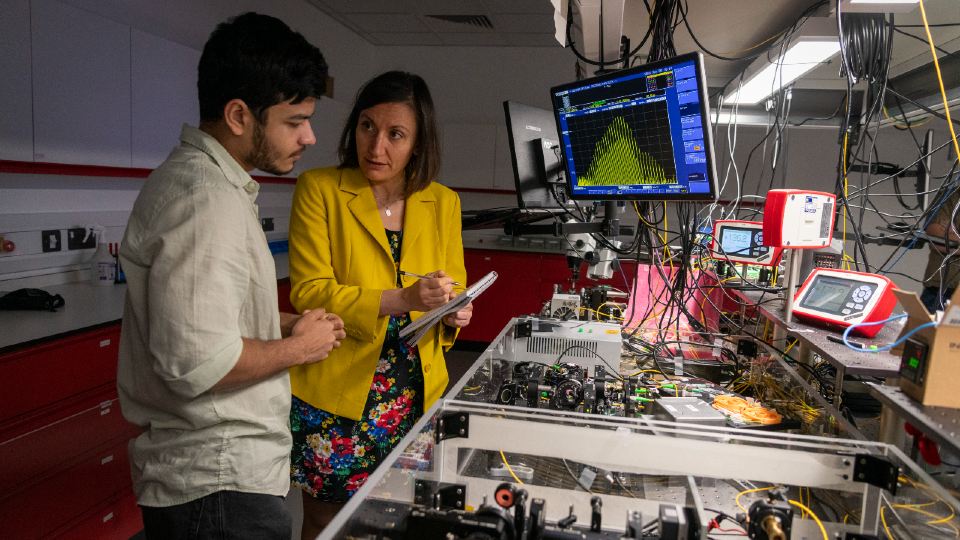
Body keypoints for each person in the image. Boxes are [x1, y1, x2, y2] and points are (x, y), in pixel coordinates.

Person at [117, 12, 345, 539]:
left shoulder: (212, 186)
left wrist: (285, 324)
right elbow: (199, 363)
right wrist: (300, 349)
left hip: (218, 482)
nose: (310, 136)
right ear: (239, 115)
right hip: (215, 485)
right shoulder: (206, 200)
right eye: (294, 121)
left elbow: (209, 321)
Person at [287, 70, 473, 537]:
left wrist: (455, 310)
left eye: (396, 134)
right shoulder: (320, 189)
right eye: (368, 126)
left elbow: (456, 287)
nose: (376, 147)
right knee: (325, 521)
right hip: (337, 391)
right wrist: (402, 299)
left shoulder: (443, 201)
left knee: (400, 518)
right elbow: (308, 290)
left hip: (415, 394)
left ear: (418, 141)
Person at [921, 186, 960, 313]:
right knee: (926, 332)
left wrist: (955, 235)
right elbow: (936, 237)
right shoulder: (952, 195)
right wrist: (951, 239)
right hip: (942, 291)